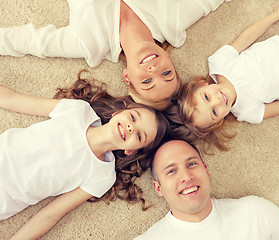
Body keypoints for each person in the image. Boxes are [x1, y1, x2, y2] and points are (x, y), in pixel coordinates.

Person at [0, 72, 171, 239]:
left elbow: (51, 214)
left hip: (6, 197)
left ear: (131, 151)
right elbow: (13, 100)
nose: (131, 128)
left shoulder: (103, 176)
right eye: (133, 118)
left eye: (139, 136)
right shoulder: (78, 111)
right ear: (118, 113)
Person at [0, 0, 230, 109]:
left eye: (147, 81)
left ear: (127, 77)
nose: (155, 70)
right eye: (167, 73)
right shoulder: (174, 22)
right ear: (169, 59)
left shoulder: (89, 44)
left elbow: (28, 42)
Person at [168, 4, 279, 149]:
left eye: (206, 97)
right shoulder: (246, 111)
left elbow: (247, 37)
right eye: (214, 111)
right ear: (219, 121)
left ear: (202, 85)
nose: (217, 100)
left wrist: (276, 15)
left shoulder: (219, 64)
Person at [134, 139, 279, 240]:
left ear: (206, 169)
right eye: (171, 171)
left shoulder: (254, 212)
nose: (186, 176)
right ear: (158, 188)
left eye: (192, 164)